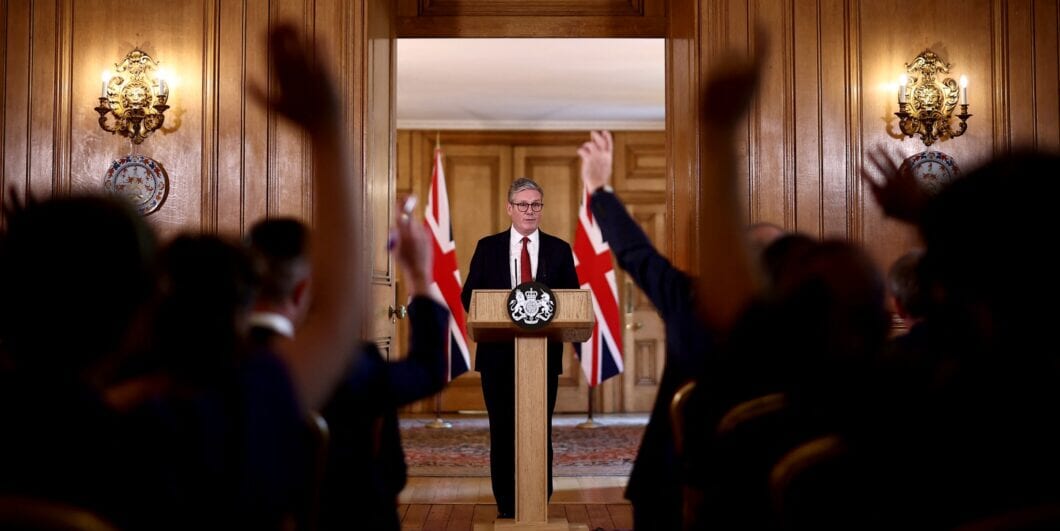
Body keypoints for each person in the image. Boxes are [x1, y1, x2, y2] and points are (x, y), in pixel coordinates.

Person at [247, 214, 449, 531]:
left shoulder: (192, 368)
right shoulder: (352, 367)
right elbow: (429, 370)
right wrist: (418, 274)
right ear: (303, 291)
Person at [576, 130, 714, 530]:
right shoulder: (801, 320)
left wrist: (599, 189)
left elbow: (636, 254)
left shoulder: (694, 299)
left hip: (668, 479)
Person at [460, 177, 579, 519]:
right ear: (510, 208)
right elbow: (469, 296)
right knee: (502, 431)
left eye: (536, 204)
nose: (530, 211)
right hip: (497, 358)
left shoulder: (559, 249)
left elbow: (572, 300)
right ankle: (507, 508)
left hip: (543, 356)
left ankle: (538, 504)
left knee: (539, 432)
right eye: (523, 204)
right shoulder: (488, 247)